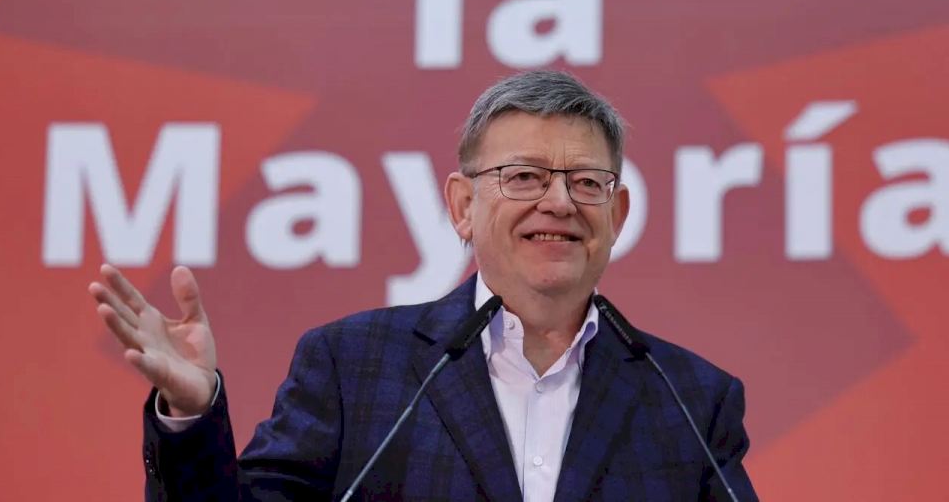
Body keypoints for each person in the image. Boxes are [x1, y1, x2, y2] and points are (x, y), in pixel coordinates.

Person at [89, 70, 759, 501]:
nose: (558, 202)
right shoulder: (353, 365)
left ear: (617, 214)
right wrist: (192, 416)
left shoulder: (693, 399)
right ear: (463, 205)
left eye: (587, 182)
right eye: (525, 176)